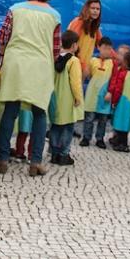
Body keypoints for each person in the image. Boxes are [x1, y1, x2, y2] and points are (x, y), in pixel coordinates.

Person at [0, 0, 61, 178]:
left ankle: (3, 158)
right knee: (40, 113)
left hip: (15, 63)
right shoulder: (54, 16)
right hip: (40, 65)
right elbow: (56, 48)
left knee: (10, 110)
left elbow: (3, 37)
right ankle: (35, 162)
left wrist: (4, 56)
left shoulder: (15, 9)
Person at [48, 30, 83, 166]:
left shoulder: (55, 58)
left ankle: (54, 154)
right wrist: (78, 97)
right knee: (68, 128)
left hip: (55, 98)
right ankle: (64, 154)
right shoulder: (73, 61)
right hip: (67, 100)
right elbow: (75, 82)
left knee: (55, 126)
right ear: (74, 45)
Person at [80, 37, 116, 148]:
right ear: (98, 47)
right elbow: (87, 75)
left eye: (109, 49)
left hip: (105, 95)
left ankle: (100, 139)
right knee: (89, 118)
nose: (106, 51)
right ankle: (86, 137)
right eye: (104, 48)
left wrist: (110, 92)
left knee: (103, 119)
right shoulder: (92, 60)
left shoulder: (113, 63)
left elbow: (114, 79)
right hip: (92, 94)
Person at [109, 50, 130, 153]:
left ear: (126, 62)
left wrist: (114, 101)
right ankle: (119, 140)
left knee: (120, 122)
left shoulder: (123, 74)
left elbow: (118, 89)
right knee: (126, 123)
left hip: (122, 103)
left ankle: (122, 144)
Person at [68, 0, 102, 74]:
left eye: (98, 9)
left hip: (82, 68)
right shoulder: (78, 22)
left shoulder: (95, 27)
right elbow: (70, 47)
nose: (95, 11)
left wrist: (116, 58)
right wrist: (82, 65)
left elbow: (103, 45)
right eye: (93, 8)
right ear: (86, 9)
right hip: (73, 65)